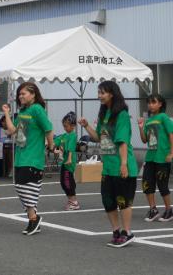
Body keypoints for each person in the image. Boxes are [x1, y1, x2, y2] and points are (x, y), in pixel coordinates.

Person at [79, 81, 138, 248]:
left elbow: (123, 141)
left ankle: (127, 232)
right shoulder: (104, 113)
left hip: (121, 165)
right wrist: (86, 126)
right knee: (108, 201)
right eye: (98, 92)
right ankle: (116, 231)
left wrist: (124, 164)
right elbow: (99, 138)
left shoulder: (122, 115)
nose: (99, 96)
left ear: (112, 93)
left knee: (123, 201)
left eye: (102, 92)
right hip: (108, 167)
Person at [2, 82, 54, 236]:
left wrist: (51, 146)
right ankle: (33, 219)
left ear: (33, 94)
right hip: (21, 155)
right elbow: (12, 130)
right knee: (22, 187)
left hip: (33, 157)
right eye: (19, 94)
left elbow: (49, 128)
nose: (20, 96)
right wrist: (6, 113)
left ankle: (34, 218)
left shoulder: (37, 109)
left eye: (23, 93)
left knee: (25, 187)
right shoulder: (23, 111)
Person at [138, 94, 173, 222]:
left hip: (162, 157)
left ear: (160, 104)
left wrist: (171, 153)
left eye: (154, 102)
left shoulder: (163, 117)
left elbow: (171, 134)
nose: (150, 105)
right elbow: (144, 140)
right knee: (147, 184)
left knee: (162, 184)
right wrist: (141, 128)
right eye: (149, 102)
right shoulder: (148, 120)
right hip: (150, 157)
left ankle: (169, 210)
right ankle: (153, 209)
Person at [55, 112, 80, 211]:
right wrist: (50, 144)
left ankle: (74, 201)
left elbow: (71, 148)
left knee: (67, 181)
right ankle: (71, 200)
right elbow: (55, 142)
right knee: (63, 182)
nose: (65, 128)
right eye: (64, 126)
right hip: (64, 163)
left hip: (69, 163)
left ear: (73, 126)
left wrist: (69, 158)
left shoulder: (72, 135)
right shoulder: (64, 136)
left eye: (66, 126)